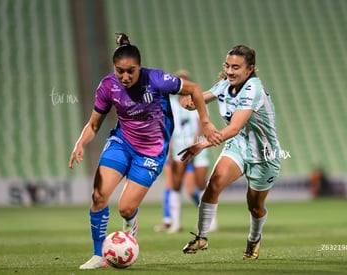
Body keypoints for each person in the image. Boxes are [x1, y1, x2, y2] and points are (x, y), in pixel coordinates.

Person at [68, 33, 221, 269]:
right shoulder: (108, 86)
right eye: (120, 71)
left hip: (151, 152)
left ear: (140, 67)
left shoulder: (157, 79)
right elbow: (94, 124)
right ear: (114, 68)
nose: (125, 76)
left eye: (131, 71)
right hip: (121, 143)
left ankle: (130, 223)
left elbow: (195, 89)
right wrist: (80, 142)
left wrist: (206, 121)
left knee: (125, 207)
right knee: (99, 195)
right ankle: (99, 255)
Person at [179, 45, 281, 259]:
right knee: (213, 185)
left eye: (236, 67)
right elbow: (203, 96)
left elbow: (234, 127)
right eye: (227, 65)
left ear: (250, 69)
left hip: (263, 155)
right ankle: (202, 237)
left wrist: (201, 144)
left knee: (255, 207)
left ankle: (254, 238)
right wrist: (190, 101)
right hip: (239, 145)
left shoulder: (253, 89)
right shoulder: (226, 84)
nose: (230, 71)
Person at [155, 71, 215, 233]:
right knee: (175, 184)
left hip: (198, 145)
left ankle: (210, 221)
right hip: (178, 148)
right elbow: (168, 127)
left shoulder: (198, 100)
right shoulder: (172, 104)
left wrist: (195, 141)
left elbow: (203, 122)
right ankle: (175, 222)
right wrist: (169, 147)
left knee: (201, 183)